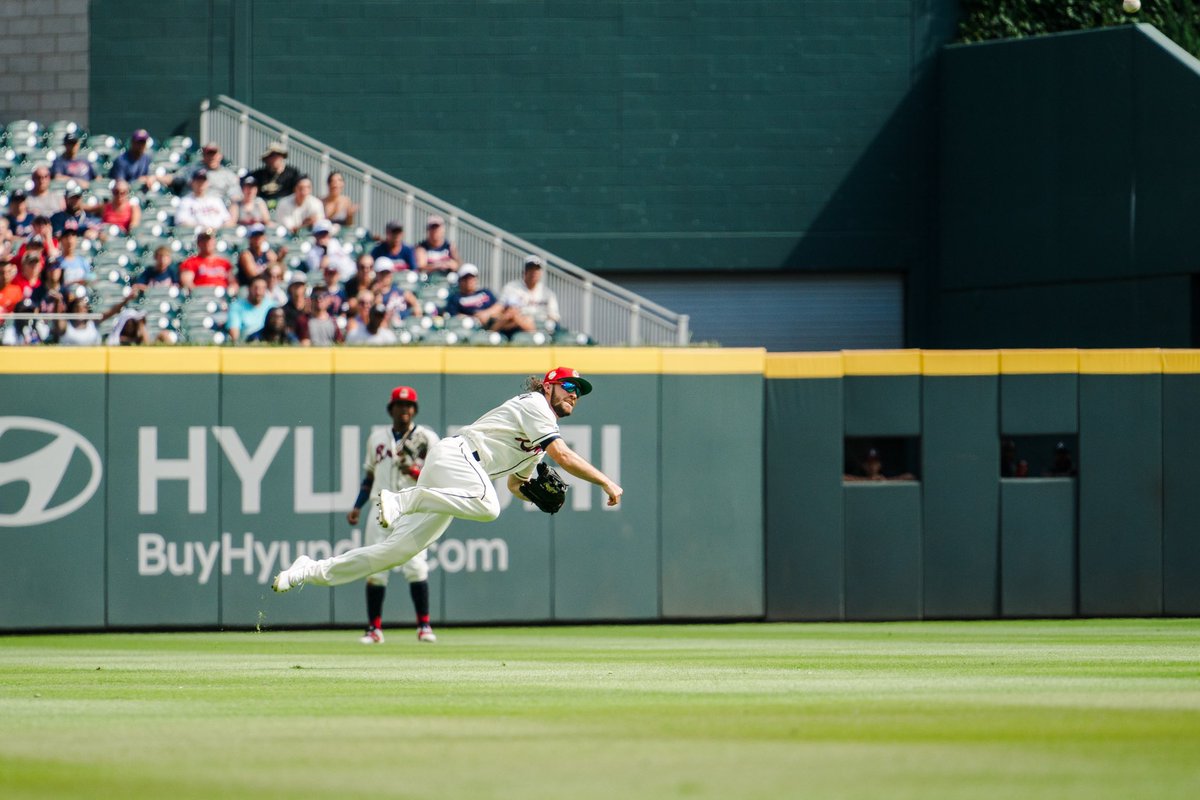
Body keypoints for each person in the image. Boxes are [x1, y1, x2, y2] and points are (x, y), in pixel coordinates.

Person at [273, 367, 622, 597]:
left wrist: (534, 494)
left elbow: (516, 485)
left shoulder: (538, 441)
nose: (574, 394)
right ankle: (404, 500)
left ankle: (309, 570)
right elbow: (564, 456)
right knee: (488, 508)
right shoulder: (536, 405)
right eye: (569, 386)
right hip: (458, 455)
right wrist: (607, 482)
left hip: (457, 477)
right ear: (548, 386)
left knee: (394, 553)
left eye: (579, 392)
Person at [344, 387, 441, 644]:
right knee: (375, 568)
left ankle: (424, 626)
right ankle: (374, 629)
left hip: (412, 510)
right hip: (380, 508)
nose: (404, 409)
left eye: (408, 405)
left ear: (414, 410)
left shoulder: (428, 438)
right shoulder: (377, 438)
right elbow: (369, 477)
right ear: (391, 409)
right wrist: (357, 506)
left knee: (416, 567)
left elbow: (438, 478)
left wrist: (415, 471)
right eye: (399, 405)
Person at [494, 255, 560, 336]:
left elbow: (554, 317)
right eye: (530, 269)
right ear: (524, 271)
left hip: (541, 325)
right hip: (517, 326)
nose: (534, 272)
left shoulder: (548, 293)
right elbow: (507, 311)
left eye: (536, 269)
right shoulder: (512, 288)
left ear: (541, 272)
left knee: (551, 326)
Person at [173, 142, 241, 203]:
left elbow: (236, 195)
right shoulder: (192, 169)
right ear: (203, 156)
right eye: (208, 154)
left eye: (214, 154)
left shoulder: (229, 175)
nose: (212, 157)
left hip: (217, 207)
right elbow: (173, 178)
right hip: (193, 205)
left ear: (220, 156)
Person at [248, 141, 301, 206]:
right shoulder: (258, 175)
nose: (271, 159)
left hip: (285, 207)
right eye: (269, 157)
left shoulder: (292, 174)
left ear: (281, 156)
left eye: (274, 156)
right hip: (262, 207)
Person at [226, 276, 276, 342]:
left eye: (263, 288)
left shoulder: (273, 306)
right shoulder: (236, 306)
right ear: (249, 289)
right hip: (245, 345)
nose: (259, 292)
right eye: (256, 288)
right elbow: (234, 333)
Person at [280, 278, 311, 344]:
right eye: (295, 285)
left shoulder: (311, 308)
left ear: (305, 288)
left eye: (300, 285)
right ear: (290, 288)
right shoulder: (284, 309)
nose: (298, 288)